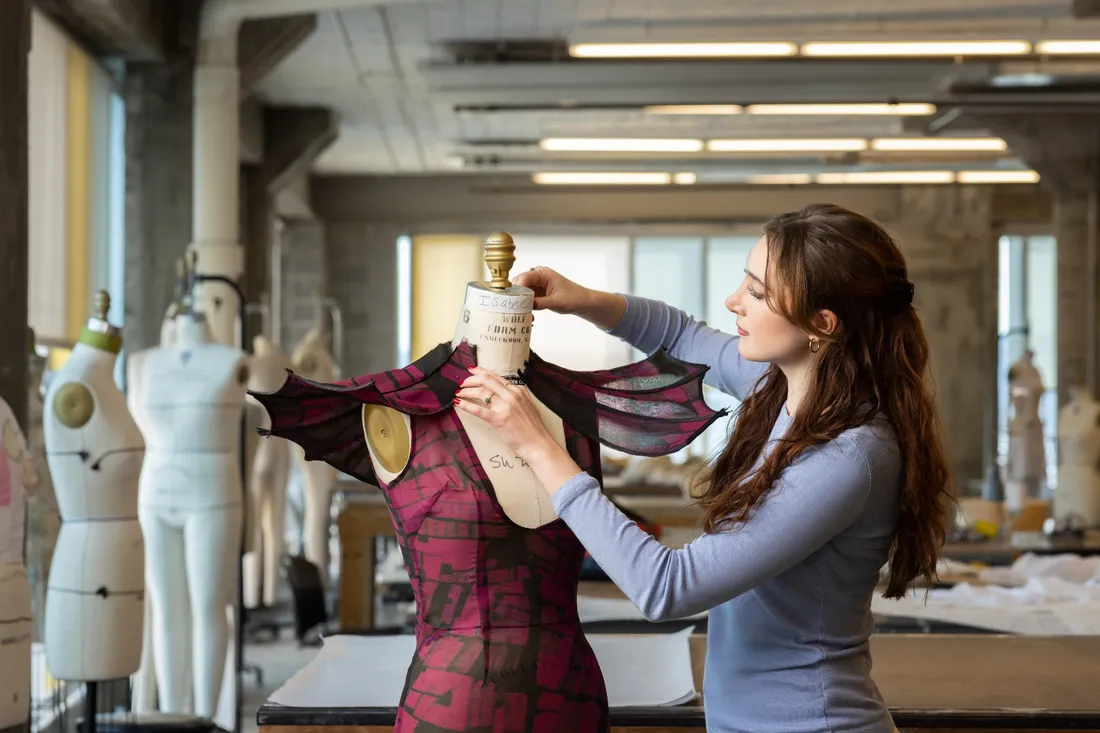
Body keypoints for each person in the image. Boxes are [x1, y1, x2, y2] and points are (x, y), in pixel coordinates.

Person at [455, 203, 955, 733]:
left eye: (758, 293)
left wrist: (537, 447)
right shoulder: (779, 388)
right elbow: (679, 334)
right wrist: (582, 300)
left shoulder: (847, 456)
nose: (734, 300)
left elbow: (668, 588)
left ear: (822, 325)